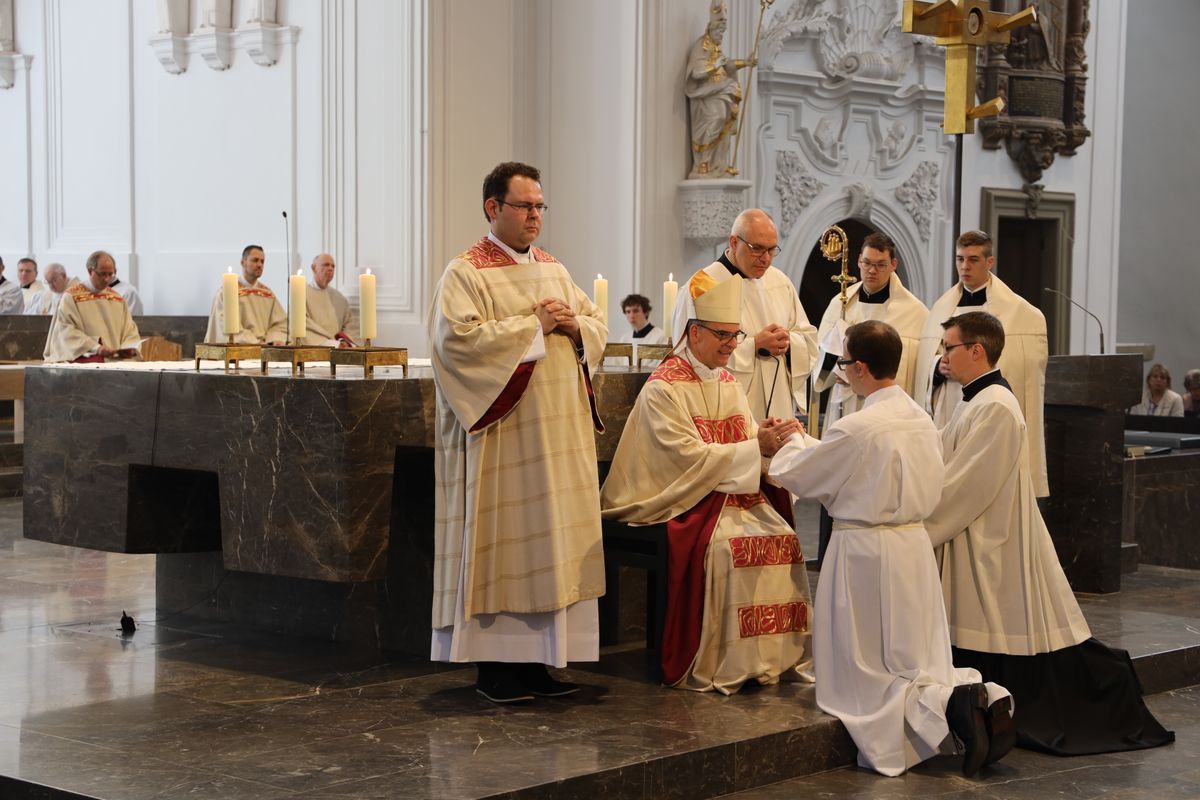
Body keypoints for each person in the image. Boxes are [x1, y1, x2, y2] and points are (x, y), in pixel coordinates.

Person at [768, 320, 1013, 778]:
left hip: (865, 551)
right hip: (912, 546)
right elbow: (853, 459)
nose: (843, 372)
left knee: (869, 669)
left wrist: (787, 442)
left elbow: (805, 473)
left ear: (860, 367)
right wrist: (802, 439)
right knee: (912, 651)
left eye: (844, 363)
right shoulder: (919, 418)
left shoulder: (857, 426)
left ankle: (947, 706)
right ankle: (969, 699)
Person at [925, 311, 1174, 756]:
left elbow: (968, 486)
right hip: (976, 530)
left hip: (990, 535)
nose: (943, 356)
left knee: (1008, 626)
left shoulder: (995, 406)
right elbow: (942, 452)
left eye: (949, 347)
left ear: (976, 350)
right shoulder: (974, 400)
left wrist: (919, 525)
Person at [428, 161, 608, 704]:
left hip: (558, 439)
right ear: (493, 207)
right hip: (506, 442)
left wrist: (576, 325)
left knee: (552, 545)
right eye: (525, 206)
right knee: (505, 547)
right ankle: (496, 670)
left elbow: (595, 323)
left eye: (539, 206)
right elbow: (455, 343)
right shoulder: (465, 272)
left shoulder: (554, 268)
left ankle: (539, 665)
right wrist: (535, 326)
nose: (535, 216)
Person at [602, 275, 812, 694]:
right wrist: (754, 447)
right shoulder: (664, 387)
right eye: (723, 336)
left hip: (724, 490)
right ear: (695, 333)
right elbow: (683, 457)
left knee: (785, 538)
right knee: (728, 550)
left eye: (736, 336)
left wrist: (767, 436)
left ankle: (770, 661)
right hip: (673, 494)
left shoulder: (727, 381)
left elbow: (744, 435)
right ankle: (726, 663)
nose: (733, 346)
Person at [913, 230, 1050, 496]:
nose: (965, 266)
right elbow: (926, 362)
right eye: (960, 259)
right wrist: (938, 367)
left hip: (989, 409)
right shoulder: (940, 309)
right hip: (950, 404)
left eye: (973, 259)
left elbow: (1019, 373)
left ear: (990, 262)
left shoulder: (1022, 314)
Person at [674, 209, 818, 422]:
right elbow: (688, 355)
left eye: (771, 250)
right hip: (725, 409)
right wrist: (754, 345)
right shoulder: (702, 285)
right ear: (734, 242)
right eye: (756, 249)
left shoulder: (780, 281)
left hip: (778, 405)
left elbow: (808, 339)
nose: (765, 259)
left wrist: (788, 342)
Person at [813, 231, 929, 434]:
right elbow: (818, 356)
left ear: (893, 265)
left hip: (886, 412)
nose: (872, 270)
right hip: (845, 402)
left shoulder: (915, 312)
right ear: (859, 261)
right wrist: (836, 370)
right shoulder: (840, 303)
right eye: (867, 263)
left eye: (880, 265)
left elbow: (920, 370)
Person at [685, 1, 753, 178]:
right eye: (720, 32)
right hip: (707, 94)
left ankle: (717, 164)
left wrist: (745, 63)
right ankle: (703, 163)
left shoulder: (716, 46)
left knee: (725, 124)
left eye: (723, 33)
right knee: (717, 119)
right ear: (711, 28)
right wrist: (715, 65)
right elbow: (696, 73)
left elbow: (727, 65)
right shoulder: (701, 46)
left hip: (721, 90)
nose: (721, 36)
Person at [43, 250, 141, 363]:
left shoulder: (117, 299)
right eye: (102, 274)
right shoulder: (72, 297)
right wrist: (96, 348)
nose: (107, 279)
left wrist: (128, 348)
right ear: (90, 271)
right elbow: (65, 331)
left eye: (111, 274)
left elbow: (130, 331)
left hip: (115, 361)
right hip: (85, 359)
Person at [204, 245, 287, 345]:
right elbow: (225, 327)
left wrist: (275, 339)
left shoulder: (268, 294)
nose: (259, 265)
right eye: (255, 260)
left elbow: (281, 324)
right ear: (243, 262)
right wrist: (255, 342)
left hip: (265, 349)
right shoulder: (225, 293)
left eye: (262, 261)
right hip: (239, 348)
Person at [299, 253, 356, 347]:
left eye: (333, 266)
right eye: (326, 265)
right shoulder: (300, 294)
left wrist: (345, 341)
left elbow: (349, 326)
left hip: (340, 348)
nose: (330, 268)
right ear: (313, 268)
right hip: (315, 347)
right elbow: (303, 326)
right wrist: (333, 344)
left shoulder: (339, 298)